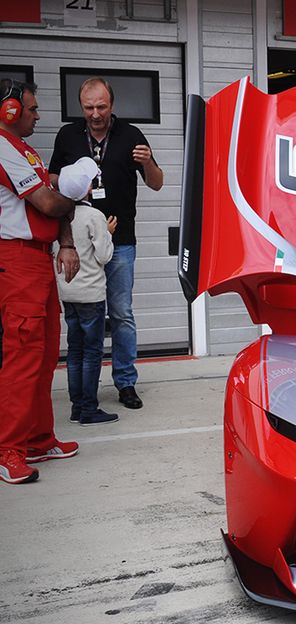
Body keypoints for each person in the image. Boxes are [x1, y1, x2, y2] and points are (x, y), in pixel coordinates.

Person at [50, 77, 163, 411]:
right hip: (79, 243)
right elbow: (52, 178)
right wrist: (71, 182)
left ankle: (125, 382)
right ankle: (87, 390)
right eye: (89, 107)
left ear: (112, 104)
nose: (95, 114)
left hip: (121, 240)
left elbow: (157, 183)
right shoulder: (68, 135)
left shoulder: (131, 135)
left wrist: (148, 162)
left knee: (121, 313)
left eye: (101, 106)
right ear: (80, 106)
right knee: (86, 317)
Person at [0, 79, 80, 485]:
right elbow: (49, 202)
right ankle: (7, 450)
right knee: (23, 355)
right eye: (31, 108)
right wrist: (74, 198)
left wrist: (66, 240)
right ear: (9, 110)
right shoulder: (2, 147)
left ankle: (37, 439)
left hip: (37, 259)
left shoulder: (24, 150)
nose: (37, 115)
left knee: (45, 353)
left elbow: (53, 199)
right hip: (16, 260)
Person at [56, 157, 119, 426]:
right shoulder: (94, 216)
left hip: (68, 293)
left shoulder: (59, 215)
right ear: (88, 189)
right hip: (91, 294)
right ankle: (89, 409)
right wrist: (108, 232)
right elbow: (104, 256)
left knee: (75, 350)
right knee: (92, 352)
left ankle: (76, 407)